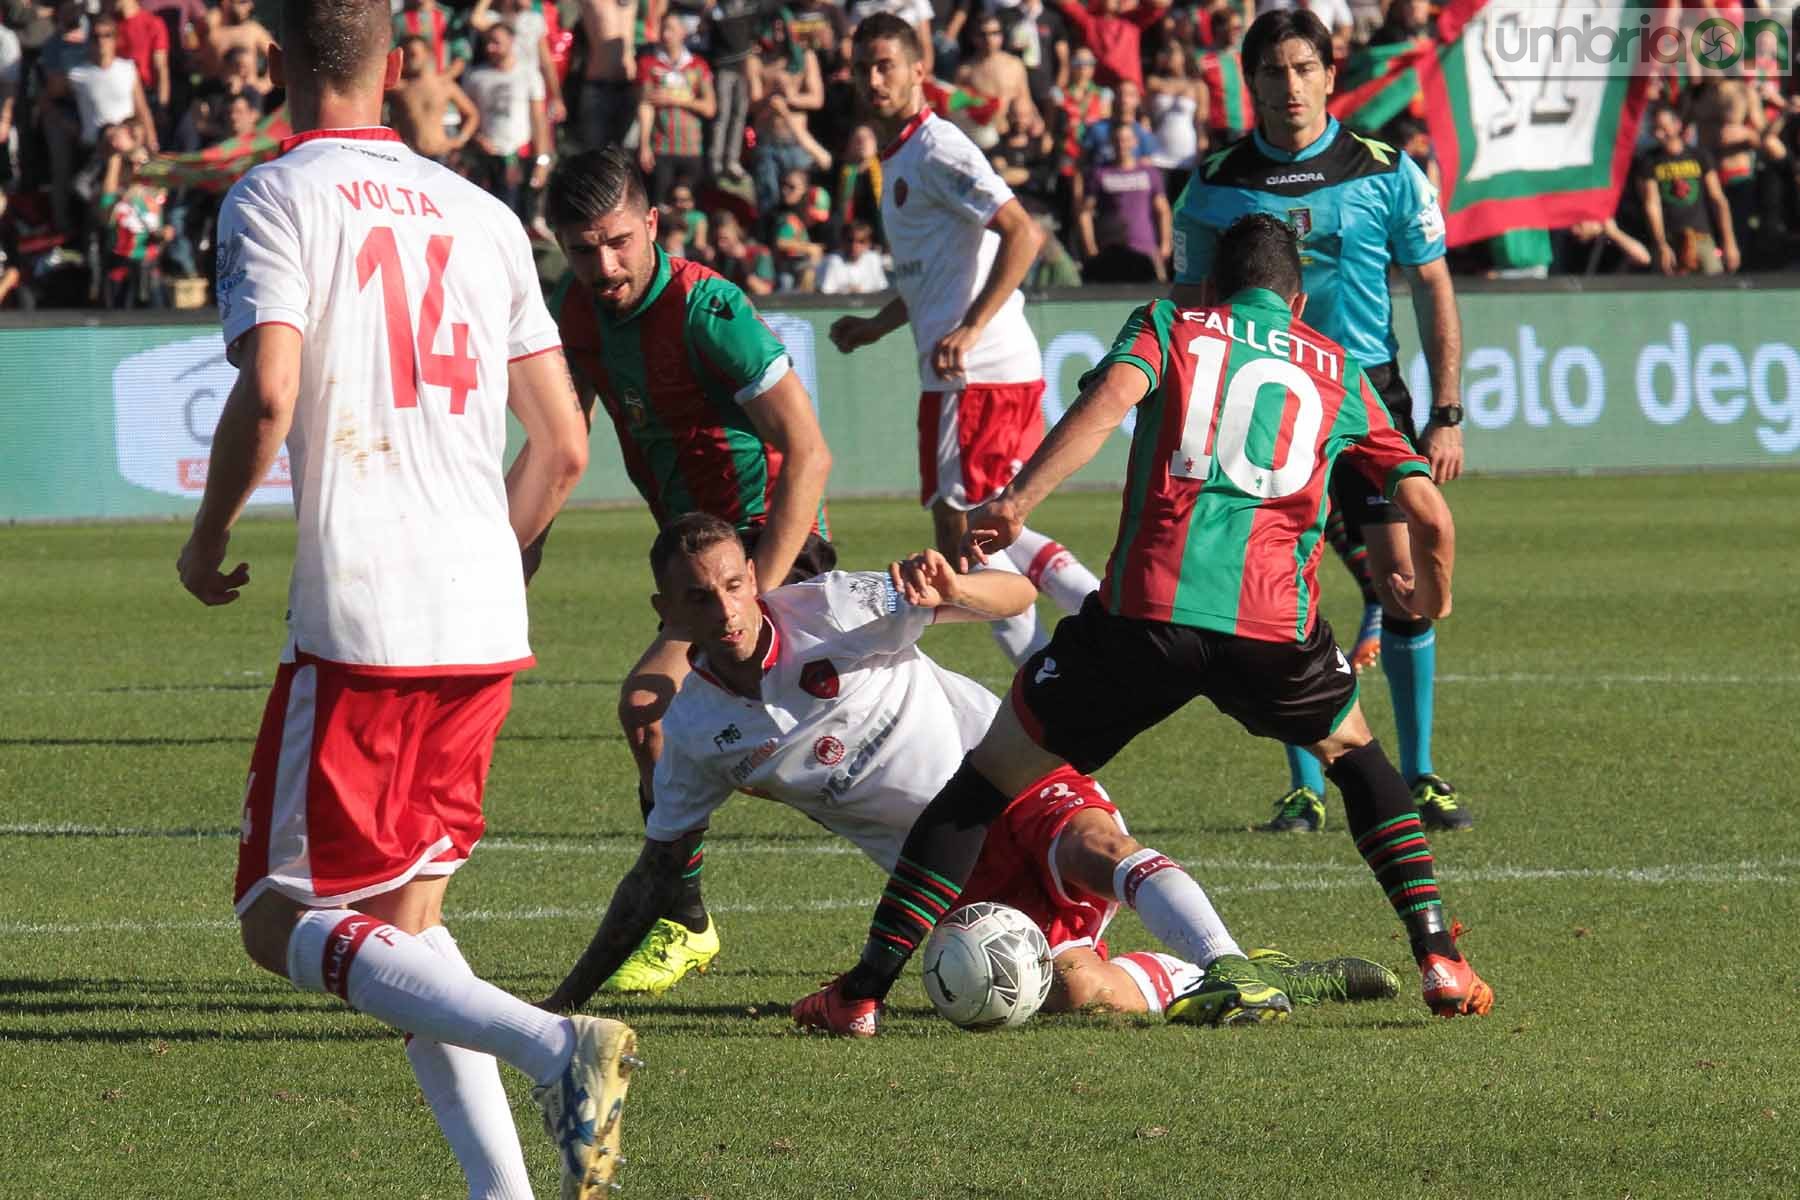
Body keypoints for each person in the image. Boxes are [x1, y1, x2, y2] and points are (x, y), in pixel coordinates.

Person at [792, 213, 1496, 1036]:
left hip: (1146, 617)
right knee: (1358, 761)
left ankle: (861, 993)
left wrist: (1017, 500)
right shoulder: (1339, 367)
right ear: (1297, 302)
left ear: (1207, 286)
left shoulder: (1172, 323)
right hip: (1274, 628)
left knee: (983, 787)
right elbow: (1428, 512)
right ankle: (1439, 954)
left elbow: (1102, 410)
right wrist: (1432, 588)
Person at [172, 3, 634, 1195]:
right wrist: (490, 541)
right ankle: (505, 1190)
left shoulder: (277, 197)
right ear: (401, 69)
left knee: (278, 918)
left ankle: (551, 1042)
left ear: (275, 65)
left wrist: (207, 534)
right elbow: (565, 445)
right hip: (484, 618)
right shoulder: (482, 217)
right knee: (404, 929)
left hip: (364, 615)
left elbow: (270, 394)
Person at [544, 514, 1407, 1024]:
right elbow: (656, 870)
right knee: (1076, 991)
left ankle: (1229, 966)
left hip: (1008, 771)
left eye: (735, 583)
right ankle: (1266, 971)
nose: (727, 607)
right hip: (947, 876)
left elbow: (1018, 596)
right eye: (700, 595)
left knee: (1097, 844)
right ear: (665, 611)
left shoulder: (838, 607)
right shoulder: (695, 733)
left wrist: (952, 590)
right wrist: (562, 1001)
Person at [1171, 9, 1470, 835]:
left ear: (1331, 76)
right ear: (1252, 81)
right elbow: (1191, 306)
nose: (1290, 85)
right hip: (1264, 394)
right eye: (1273, 71)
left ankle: (1420, 774)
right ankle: (1304, 786)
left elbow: (1433, 287)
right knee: (1273, 586)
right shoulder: (1217, 182)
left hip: (1368, 392)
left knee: (1402, 577)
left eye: (1304, 68)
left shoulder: (1386, 170)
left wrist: (1444, 412)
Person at [543, 147, 834, 996]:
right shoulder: (580, 311)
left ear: (653, 227)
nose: (605, 265)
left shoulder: (710, 310)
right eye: (582, 248)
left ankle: (986, 861)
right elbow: (564, 442)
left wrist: (761, 589)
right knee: (654, 714)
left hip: (768, 555)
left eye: (619, 242)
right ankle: (689, 919)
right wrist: (515, 548)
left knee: (839, 754)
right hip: (699, 575)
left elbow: (809, 452)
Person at [828, 14, 1101, 669]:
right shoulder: (898, 157)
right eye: (863, 66)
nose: (873, 79)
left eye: (886, 64)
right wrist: (875, 326)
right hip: (961, 373)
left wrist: (973, 327)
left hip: (978, 371)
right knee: (980, 532)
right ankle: (1071, 650)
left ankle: (1082, 643)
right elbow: (931, 277)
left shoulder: (938, 149)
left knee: (968, 539)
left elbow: (1023, 232)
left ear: (920, 69)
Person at [461, 20, 551, 224]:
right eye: (487, 43)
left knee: (514, 215)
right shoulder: (476, 77)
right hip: (485, 154)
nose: (489, 48)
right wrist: (476, 138)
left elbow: (538, 120)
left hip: (517, 154)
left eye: (496, 42)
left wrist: (542, 160)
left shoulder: (529, 74)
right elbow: (467, 116)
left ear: (511, 41)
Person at [1636, 100, 1741, 276]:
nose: (1660, 134)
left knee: (1714, 283)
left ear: (1677, 125)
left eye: (1664, 127)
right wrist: (1661, 244)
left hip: (1702, 237)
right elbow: (1651, 203)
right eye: (1656, 129)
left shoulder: (1699, 156)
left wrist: (1729, 242)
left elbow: (1717, 199)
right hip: (1671, 238)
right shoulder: (1650, 161)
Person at [635, 10, 714, 204]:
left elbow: (710, 107)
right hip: (662, 148)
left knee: (688, 206)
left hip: (692, 150)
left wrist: (675, 100)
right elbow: (645, 105)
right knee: (660, 206)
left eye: (671, 29)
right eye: (663, 29)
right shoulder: (649, 64)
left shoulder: (698, 65)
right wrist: (644, 145)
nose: (665, 34)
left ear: (683, 33)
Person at [1079, 121, 1169, 281]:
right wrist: (1090, 247)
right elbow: (1085, 213)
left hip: (1146, 249)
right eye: (1118, 139)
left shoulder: (1150, 173)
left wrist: (1165, 244)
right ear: (1111, 142)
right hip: (1111, 252)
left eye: (1126, 139)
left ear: (1135, 142)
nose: (1122, 144)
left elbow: (1162, 210)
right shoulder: (1100, 173)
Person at [389, 33, 480, 162]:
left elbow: (472, 114)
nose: (410, 59)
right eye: (407, 55)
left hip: (441, 153)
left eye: (414, 54)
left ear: (428, 54)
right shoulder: (398, 88)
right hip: (409, 155)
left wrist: (460, 140)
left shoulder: (444, 85)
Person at [816, 219, 888, 293]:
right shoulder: (832, 261)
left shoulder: (874, 259)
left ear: (869, 244)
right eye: (850, 240)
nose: (854, 246)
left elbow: (881, 290)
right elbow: (825, 295)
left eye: (861, 241)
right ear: (842, 241)